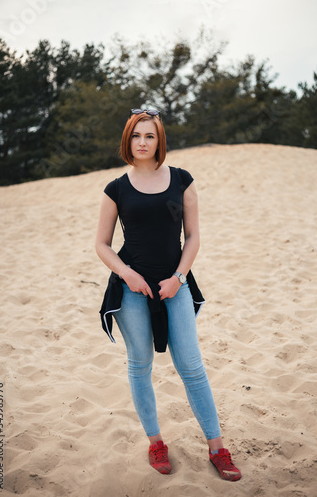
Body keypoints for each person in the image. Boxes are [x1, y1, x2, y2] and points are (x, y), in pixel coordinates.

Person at [95, 108, 242, 482]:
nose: (142, 142)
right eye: (136, 136)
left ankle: (217, 448)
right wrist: (126, 274)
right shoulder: (116, 188)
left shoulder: (181, 180)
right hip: (132, 287)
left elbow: (192, 236)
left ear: (160, 141)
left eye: (150, 136)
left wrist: (179, 276)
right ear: (128, 140)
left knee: (191, 366)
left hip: (175, 284)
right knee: (140, 363)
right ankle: (156, 442)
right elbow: (101, 244)